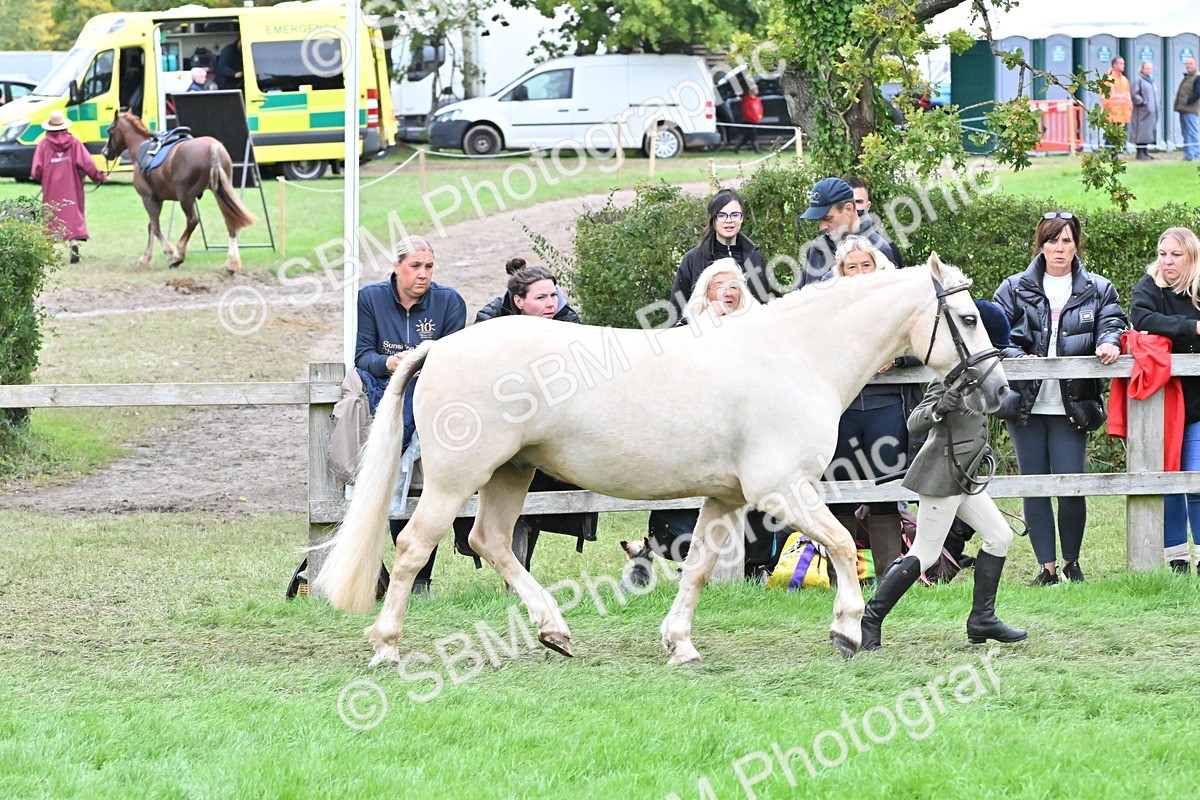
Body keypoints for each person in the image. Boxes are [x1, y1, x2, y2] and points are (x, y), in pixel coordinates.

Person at [860, 300, 1026, 651]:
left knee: (999, 537)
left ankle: (982, 619)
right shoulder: (950, 377)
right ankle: (870, 618)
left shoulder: (985, 376)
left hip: (965, 477)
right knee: (925, 552)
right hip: (941, 475)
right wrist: (939, 407)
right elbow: (915, 421)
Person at [993, 212, 1128, 585]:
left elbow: (1114, 321)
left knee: (1071, 485)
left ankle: (1072, 562)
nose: (1059, 248)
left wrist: (1108, 342)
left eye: (1066, 240)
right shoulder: (1014, 288)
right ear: (1041, 244)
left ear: (1076, 245)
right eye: (1052, 240)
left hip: (1074, 402)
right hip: (1025, 403)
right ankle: (1046, 568)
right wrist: (1021, 360)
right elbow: (994, 337)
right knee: (1034, 485)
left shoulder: (1098, 288)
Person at [355, 236, 467, 595]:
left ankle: (421, 580)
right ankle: (383, 573)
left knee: (423, 491)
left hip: (432, 404)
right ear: (396, 266)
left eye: (429, 267)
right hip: (388, 395)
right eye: (415, 266)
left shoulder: (449, 302)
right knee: (393, 485)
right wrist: (390, 362)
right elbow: (362, 356)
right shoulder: (370, 298)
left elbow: (456, 358)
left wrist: (427, 368)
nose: (423, 275)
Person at [470, 258, 595, 572]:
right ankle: (513, 570)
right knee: (503, 490)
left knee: (538, 488)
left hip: (555, 424)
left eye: (553, 295)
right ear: (518, 301)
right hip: (502, 423)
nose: (551, 303)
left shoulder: (568, 320)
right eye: (541, 298)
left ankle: (519, 571)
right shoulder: (490, 320)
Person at [823, 235, 920, 573]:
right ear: (841, 271)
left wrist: (896, 361)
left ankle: (890, 576)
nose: (861, 272)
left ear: (877, 265)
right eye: (853, 267)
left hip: (886, 408)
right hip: (843, 410)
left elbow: (920, 346)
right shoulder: (829, 309)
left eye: (866, 265)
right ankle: (842, 575)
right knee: (840, 494)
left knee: (886, 493)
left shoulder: (898, 304)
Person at [1129, 227, 1200, 574]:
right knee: (1168, 480)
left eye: (1176, 255)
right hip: (1165, 405)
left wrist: (1171, 327)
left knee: (1197, 480)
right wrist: (1192, 328)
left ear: (1190, 257)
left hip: (1199, 405)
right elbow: (1142, 318)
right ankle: (1177, 559)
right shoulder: (1149, 286)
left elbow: (1158, 325)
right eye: (1163, 254)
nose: (1167, 261)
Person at [666, 189, 776, 323]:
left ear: (742, 218)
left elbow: (762, 307)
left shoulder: (755, 257)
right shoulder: (693, 259)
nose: (729, 221)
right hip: (705, 338)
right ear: (712, 218)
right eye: (722, 215)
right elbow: (675, 314)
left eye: (735, 215)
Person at [30, 109, 108, 265]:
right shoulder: (74, 142)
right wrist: (99, 176)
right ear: (64, 126)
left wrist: (38, 178)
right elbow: (87, 163)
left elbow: (36, 169)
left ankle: (50, 251)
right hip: (72, 186)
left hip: (51, 187)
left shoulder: (44, 144)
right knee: (72, 214)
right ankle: (73, 243)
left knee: (52, 216)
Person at [798, 177, 903, 289]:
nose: (822, 227)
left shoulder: (880, 249)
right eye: (820, 220)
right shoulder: (817, 249)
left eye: (828, 218)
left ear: (848, 209)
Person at [1101, 56, 1132, 149]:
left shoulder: (1124, 80)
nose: (1123, 65)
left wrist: (1129, 110)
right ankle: (1108, 155)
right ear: (1115, 65)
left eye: (1123, 63)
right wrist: (1110, 109)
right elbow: (1104, 96)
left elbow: (1127, 97)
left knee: (1117, 137)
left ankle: (1114, 156)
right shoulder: (1107, 79)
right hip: (1112, 114)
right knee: (1111, 137)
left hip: (1122, 114)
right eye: (1121, 63)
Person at [1130, 61, 1159, 160]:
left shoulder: (1151, 81)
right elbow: (1134, 94)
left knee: (1147, 132)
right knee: (1141, 132)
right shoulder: (1138, 80)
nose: (1148, 71)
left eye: (1150, 69)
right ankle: (1140, 153)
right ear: (1142, 69)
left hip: (1151, 113)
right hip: (1142, 113)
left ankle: (1145, 152)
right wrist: (1142, 102)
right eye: (1146, 68)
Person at [1175, 57, 1200, 162]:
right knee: (1185, 133)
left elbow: (1198, 93)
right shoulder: (1187, 77)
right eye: (1187, 64)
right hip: (1183, 109)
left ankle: (1197, 155)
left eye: (1191, 63)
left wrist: (1187, 101)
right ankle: (1188, 155)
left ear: (1195, 65)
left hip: (1190, 110)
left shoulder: (1197, 77)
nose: (1188, 65)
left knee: (1193, 132)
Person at [733, 83, 763, 155]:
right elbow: (747, 111)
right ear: (750, 90)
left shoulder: (757, 99)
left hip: (755, 120)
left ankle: (737, 148)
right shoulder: (746, 99)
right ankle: (757, 150)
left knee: (747, 136)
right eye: (755, 89)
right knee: (753, 135)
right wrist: (753, 118)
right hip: (748, 121)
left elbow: (760, 109)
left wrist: (759, 117)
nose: (757, 90)